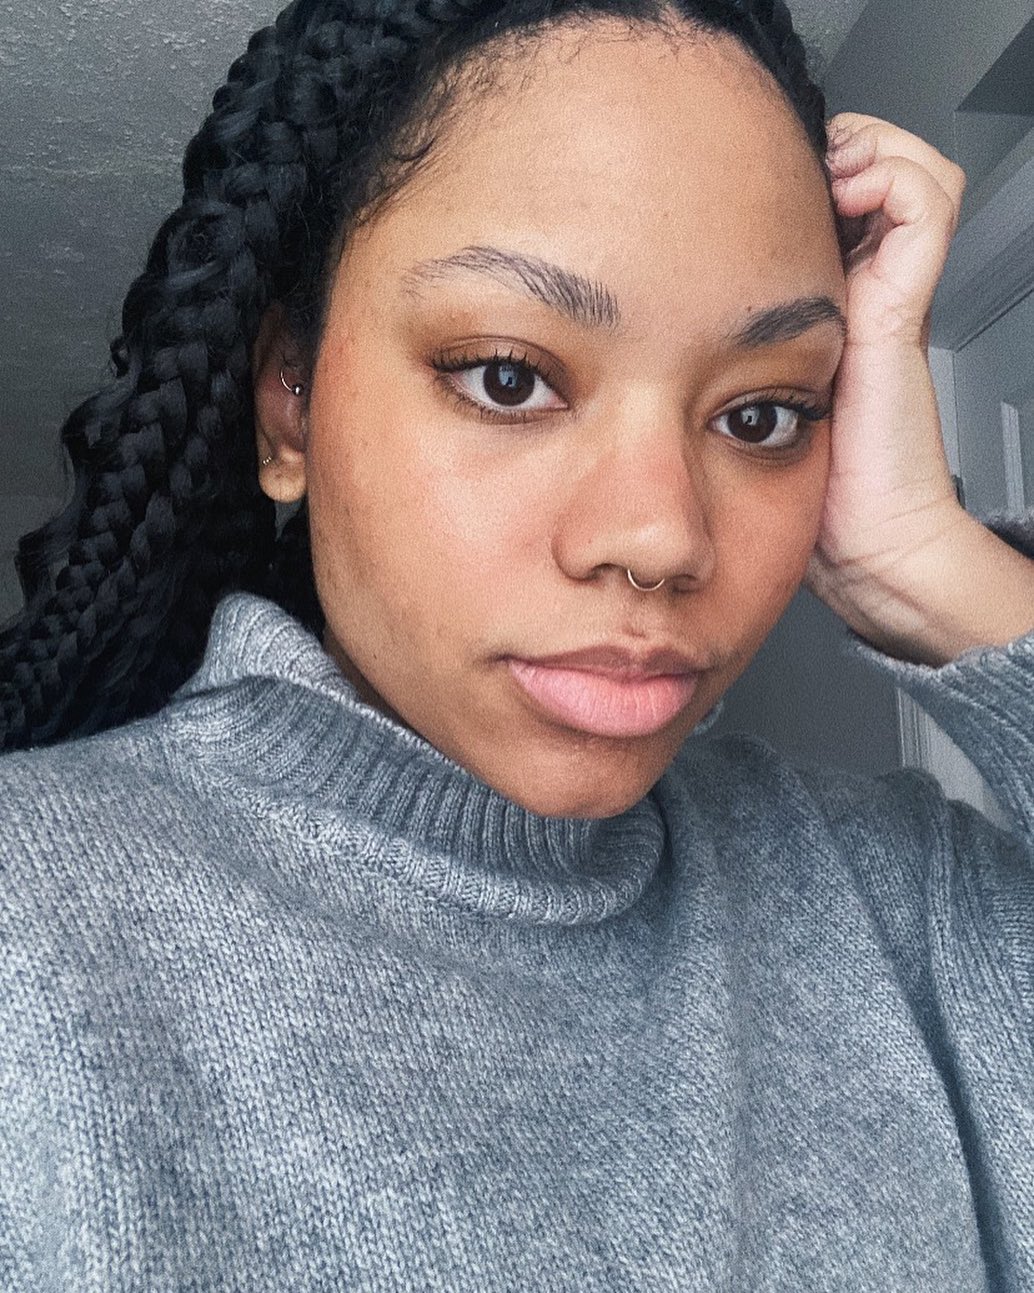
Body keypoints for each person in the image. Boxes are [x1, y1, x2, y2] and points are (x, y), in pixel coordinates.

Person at [0, 0, 1031, 1286]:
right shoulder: (29, 927)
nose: (660, 539)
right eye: (508, 377)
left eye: (764, 412)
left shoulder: (901, 905)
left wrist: (929, 569)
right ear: (288, 406)